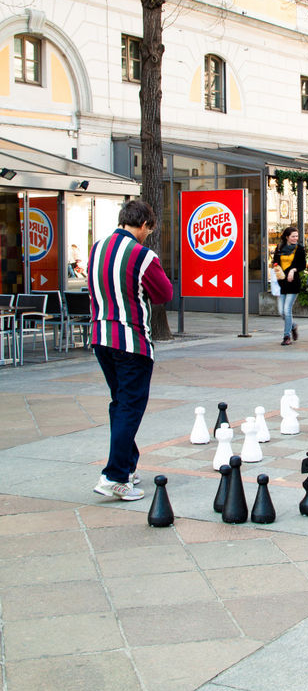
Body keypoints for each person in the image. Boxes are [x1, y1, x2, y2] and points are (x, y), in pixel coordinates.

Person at [89, 200, 173, 501]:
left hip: (99, 335)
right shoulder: (142, 255)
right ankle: (114, 476)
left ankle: (126, 465)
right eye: (149, 230)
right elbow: (164, 294)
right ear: (144, 225)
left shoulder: (97, 247)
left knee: (120, 402)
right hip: (131, 341)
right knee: (129, 405)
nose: (147, 235)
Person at [272, 226, 306, 346]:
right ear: (287, 237)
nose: (295, 238)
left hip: (293, 283)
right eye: (293, 236)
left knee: (287, 309)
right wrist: (276, 268)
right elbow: (275, 262)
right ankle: (293, 326)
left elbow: (303, 265)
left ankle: (286, 336)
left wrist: (293, 270)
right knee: (281, 311)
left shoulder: (300, 249)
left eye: (297, 236)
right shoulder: (280, 248)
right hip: (281, 283)